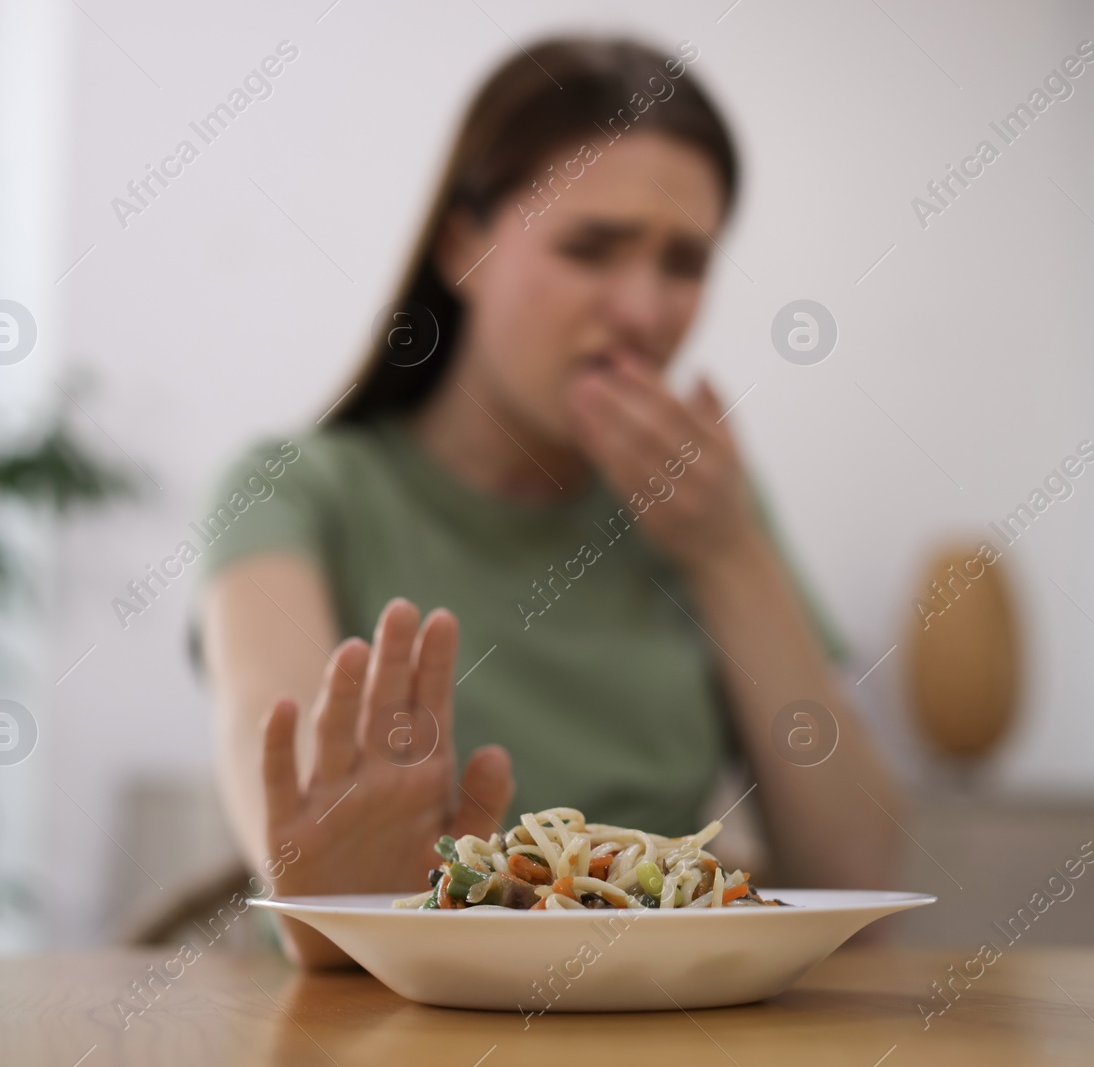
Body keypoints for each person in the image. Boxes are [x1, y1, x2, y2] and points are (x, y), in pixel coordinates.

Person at [198, 36, 900, 969]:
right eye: (590, 248)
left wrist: (728, 551)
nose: (644, 311)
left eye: (684, 262)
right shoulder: (294, 490)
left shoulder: (710, 506)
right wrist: (338, 901)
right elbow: (275, 763)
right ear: (462, 246)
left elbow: (862, 881)